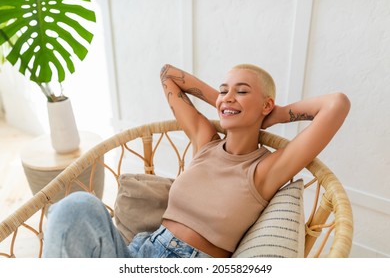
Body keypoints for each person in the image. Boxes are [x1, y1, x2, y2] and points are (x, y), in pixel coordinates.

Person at [43, 63, 350, 258]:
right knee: (77, 206)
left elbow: (337, 104)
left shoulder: (265, 170)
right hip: (137, 252)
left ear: (266, 103)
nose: (228, 96)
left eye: (242, 91)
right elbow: (167, 74)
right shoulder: (206, 142)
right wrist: (226, 102)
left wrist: (274, 115)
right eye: (223, 90)